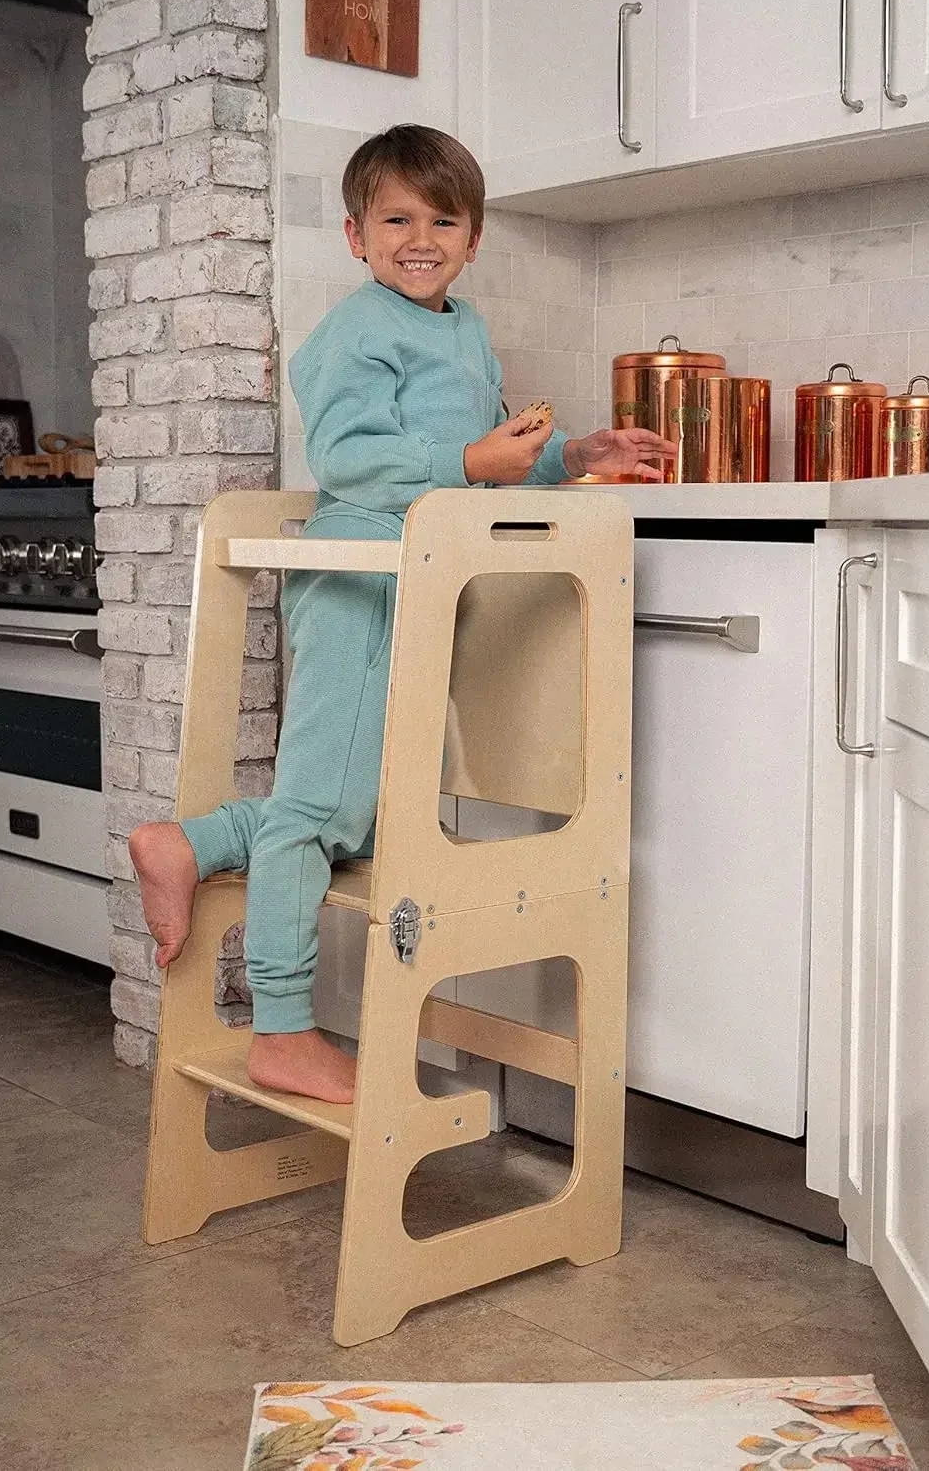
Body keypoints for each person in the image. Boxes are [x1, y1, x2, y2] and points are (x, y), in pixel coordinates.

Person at [129, 125, 673, 1105]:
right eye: (395, 218)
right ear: (354, 235)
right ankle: (283, 1030)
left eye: (442, 219)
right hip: (359, 575)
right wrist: (468, 465)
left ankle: (192, 845)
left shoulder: (462, 330)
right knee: (310, 814)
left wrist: (576, 455)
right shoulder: (355, 331)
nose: (418, 237)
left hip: (424, 576)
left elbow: (490, 451)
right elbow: (347, 460)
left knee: (360, 815)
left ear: (473, 240)